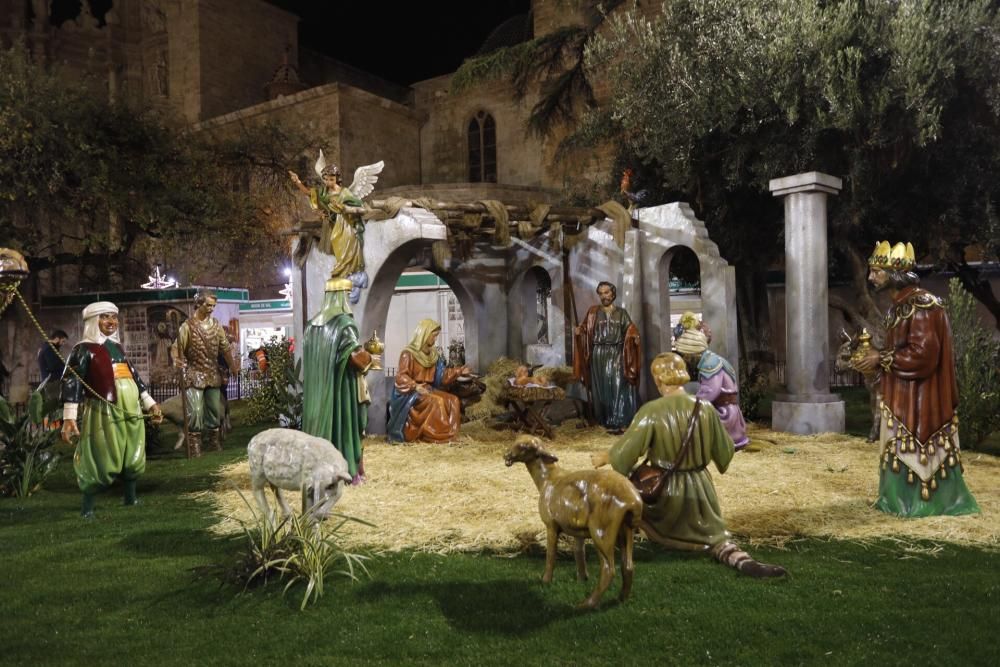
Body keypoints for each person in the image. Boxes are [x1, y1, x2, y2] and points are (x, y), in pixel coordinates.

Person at [592, 352, 785, 577]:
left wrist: (607, 457)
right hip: (703, 493)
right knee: (716, 538)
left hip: (665, 495)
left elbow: (625, 455)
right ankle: (731, 554)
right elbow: (725, 454)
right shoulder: (706, 408)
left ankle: (645, 538)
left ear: (658, 379)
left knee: (622, 493)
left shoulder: (651, 412)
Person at [853, 241, 979, 517]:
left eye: (877, 272)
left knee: (917, 452)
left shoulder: (921, 305)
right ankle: (898, 501)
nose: (871, 277)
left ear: (895, 274)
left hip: (922, 401)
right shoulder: (901, 306)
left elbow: (923, 356)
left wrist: (880, 358)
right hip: (904, 395)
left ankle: (923, 503)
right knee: (900, 447)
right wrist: (875, 360)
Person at [60, 302, 162, 518]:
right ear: (93, 321)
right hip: (103, 410)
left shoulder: (118, 348)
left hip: (130, 406)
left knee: (133, 448)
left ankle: (130, 496)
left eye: (114, 317)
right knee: (101, 452)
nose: (111, 322)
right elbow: (72, 381)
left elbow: (134, 376)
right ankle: (87, 507)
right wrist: (69, 416)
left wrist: (149, 402)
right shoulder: (83, 349)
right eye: (105, 317)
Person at [302, 278, 378, 483]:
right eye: (347, 295)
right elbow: (355, 357)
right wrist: (370, 357)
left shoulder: (311, 325)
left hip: (317, 394)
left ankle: (318, 472)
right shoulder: (345, 324)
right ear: (342, 297)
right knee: (346, 427)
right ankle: (347, 472)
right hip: (341, 391)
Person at [172, 290, 238, 457]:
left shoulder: (216, 326)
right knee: (195, 411)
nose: (211, 308)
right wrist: (176, 359)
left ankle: (213, 441)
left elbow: (225, 348)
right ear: (199, 304)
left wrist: (233, 366)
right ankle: (194, 444)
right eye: (208, 305)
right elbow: (176, 347)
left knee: (214, 410)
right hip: (194, 374)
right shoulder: (187, 326)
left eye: (213, 306)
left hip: (212, 373)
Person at [672, 312, 749, 450]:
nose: (686, 359)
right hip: (722, 409)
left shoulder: (710, 364)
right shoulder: (711, 359)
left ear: (693, 352)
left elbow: (709, 393)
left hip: (723, 413)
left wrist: (688, 403)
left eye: (686, 355)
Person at [387, 319, 471, 443]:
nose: (435, 338)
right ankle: (443, 436)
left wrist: (458, 371)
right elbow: (401, 376)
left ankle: (453, 434)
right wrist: (415, 386)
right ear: (425, 333)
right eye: (434, 335)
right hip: (412, 393)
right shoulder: (408, 354)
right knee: (437, 401)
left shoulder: (433, 355)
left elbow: (441, 375)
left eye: (437, 335)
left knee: (453, 400)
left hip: (427, 389)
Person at [573, 281, 640, 432]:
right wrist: (579, 332)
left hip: (616, 353)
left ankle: (619, 420)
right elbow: (584, 329)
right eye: (601, 293)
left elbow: (630, 329)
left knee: (618, 385)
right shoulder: (593, 312)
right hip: (598, 354)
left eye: (607, 292)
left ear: (613, 293)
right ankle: (603, 420)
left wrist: (634, 337)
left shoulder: (621, 313)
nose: (604, 296)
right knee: (600, 387)